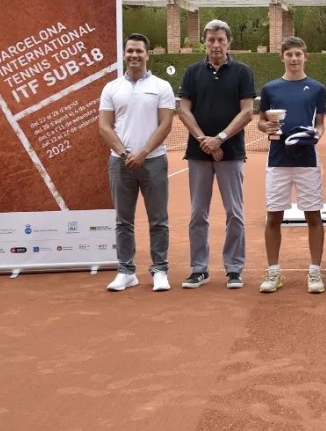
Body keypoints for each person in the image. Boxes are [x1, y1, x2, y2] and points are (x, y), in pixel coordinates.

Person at [178, 19, 256, 290]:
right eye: (211, 39)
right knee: (198, 213)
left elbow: (247, 112)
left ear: (228, 42)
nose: (215, 44)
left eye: (220, 39)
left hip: (231, 154)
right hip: (198, 154)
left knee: (234, 213)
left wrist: (220, 139)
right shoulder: (192, 72)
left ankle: (234, 268)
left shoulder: (243, 72)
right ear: (205, 42)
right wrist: (204, 140)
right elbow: (184, 110)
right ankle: (199, 269)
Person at [98, 33, 176, 292]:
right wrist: (124, 154)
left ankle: (160, 270)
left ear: (147, 54)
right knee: (123, 220)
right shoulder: (111, 88)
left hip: (153, 161)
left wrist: (142, 153)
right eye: (130, 51)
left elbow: (166, 124)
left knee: (158, 220)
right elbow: (105, 126)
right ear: (123, 54)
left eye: (139, 51)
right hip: (120, 164)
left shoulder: (161, 86)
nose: (134, 55)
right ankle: (125, 271)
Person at [257, 36, 326, 294]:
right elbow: (261, 122)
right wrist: (269, 127)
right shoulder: (270, 89)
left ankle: (315, 272)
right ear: (282, 58)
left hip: (307, 160)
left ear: (305, 56)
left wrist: (317, 135)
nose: (294, 59)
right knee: (274, 215)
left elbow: (320, 122)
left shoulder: (317, 88)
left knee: (313, 215)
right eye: (289, 55)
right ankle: (274, 273)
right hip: (277, 159)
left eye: (298, 54)